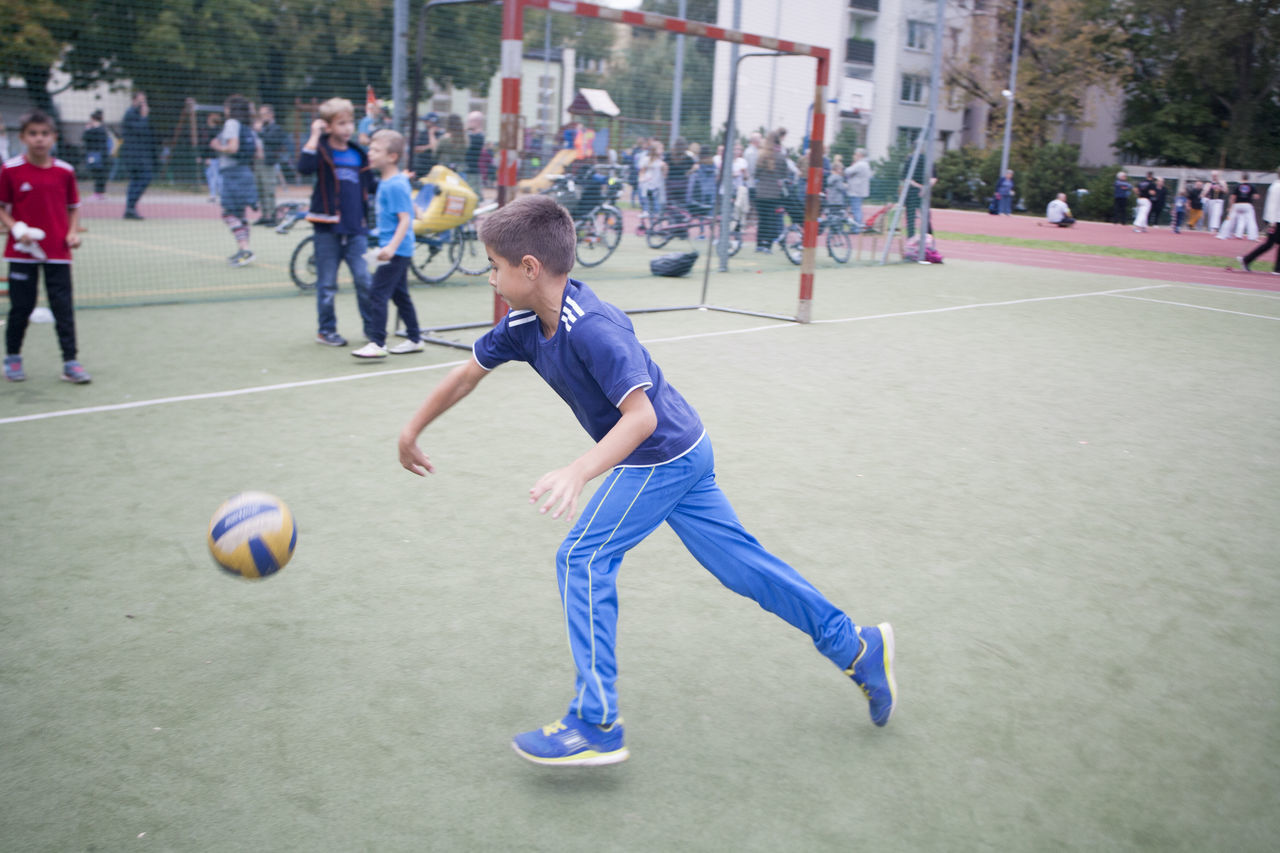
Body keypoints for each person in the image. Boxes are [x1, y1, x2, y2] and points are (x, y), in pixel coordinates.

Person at [396, 194, 897, 766]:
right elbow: (466, 375)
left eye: (494, 266)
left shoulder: (594, 330)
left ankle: (597, 721)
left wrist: (579, 471)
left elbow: (642, 418)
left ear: (529, 268)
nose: (490, 277)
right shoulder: (525, 325)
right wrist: (412, 429)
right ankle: (855, 646)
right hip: (686, 448)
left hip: (659, 454)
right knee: (745, 569)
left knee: (581, 558)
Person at [1, 111, 90, 384]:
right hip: (22, 253)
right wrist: (17, 229)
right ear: (23, 137)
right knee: (21, 307)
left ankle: (70, 362)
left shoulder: (65, 171)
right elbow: (2, 208)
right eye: (33, 134)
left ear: (54, 137)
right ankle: (13, 357)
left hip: (58, 253)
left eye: (44, 134)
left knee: (63, 307)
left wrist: (72, 233)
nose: (39, 139)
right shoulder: (10, 170)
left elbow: (73, 209)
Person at [297, 96, 375, 347]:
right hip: (327, 229)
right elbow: (304, 167)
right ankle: (326, 330)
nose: (347, 128)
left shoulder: (357, 154)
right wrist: (314, 135)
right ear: (328, 126)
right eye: (341, 123)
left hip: (356, 229)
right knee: (327, 283)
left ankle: (372, 329)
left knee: (364, 279)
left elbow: (371, 185)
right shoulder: (320, 151)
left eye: (350, 122)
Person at [351, 129, 425, 358]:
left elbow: (405, 219)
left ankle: (378, 343)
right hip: (393, 248)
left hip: (396, 250)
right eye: (370, 148)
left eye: (376, 150)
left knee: (377, 293)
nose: (370, 153)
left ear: (392, 156)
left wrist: (391, 248)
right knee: (399, 294)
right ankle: (414, 338)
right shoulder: (392, 181)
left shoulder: (394, 184)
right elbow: (409, 209)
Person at [209, 95, 260, 267]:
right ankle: (243, 250)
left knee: (228, 213)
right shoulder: (248, 127)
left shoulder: (232, 124)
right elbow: (259, 152)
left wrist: (217, 146)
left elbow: (232, 147)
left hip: (233, 173)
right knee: (240, 214)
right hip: (246, 172)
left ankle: (245, 249)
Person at [1237, 166, 1280, 274]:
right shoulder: (1276, 187)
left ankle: (1277, 268)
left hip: (1277, 219)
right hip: (1275, 220)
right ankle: (1246, 259)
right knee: (1269, 244)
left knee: (1270, 244)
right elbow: (1272, 205)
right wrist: (1272, 222)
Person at [121, 91, 156, 219]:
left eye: (144, 102)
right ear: (134, 101)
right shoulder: (131, 114)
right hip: (134, 156)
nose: (144, 105)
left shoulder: (135, 114)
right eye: (141, 101)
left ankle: (130, 208)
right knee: (144, 178)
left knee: (137, 180)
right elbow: (140, 129)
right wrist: (144, 116)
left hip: (140, 154)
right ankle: (130, 207)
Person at [253, 104, 288, 226]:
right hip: (257, 162)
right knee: (260, 189)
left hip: (268, 163)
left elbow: (273, 141)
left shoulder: (276, 128)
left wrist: (260, 132)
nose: (261, 117)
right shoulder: (261, 128)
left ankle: (273, 216)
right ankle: (265, 215)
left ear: (271, 115)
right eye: (260, 115)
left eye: (264, 114)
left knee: (269, 190)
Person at [753, 133, 788, 252]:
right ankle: (768, 245)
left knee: (762, 220)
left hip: (760, 193)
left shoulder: (761, 156)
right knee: (771, 220)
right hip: (773, 194)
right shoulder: (781, 157)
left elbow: (756, 174)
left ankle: (759, 244)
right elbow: (785, 175)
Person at [1218, 174, 1259, 241]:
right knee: (1251, 221)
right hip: (1247, 205)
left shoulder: (1237, 185)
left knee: (1229, 219)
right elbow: (1256, 196)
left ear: (1241, 178)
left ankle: (1223, 235)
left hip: (1237, 204)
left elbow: (1232, 197)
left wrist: (1230, 207)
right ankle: (1253, 237)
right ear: (1248, 178)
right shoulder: (1252, 186)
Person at [82, 110, 111, 199]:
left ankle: (98, 193)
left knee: (98, 173)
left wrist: (87, 129)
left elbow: (84, 138)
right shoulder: (103, 129)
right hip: (102, 154)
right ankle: (100, 192)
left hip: (96, 155)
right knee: (100, 174)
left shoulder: (94, 130)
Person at [844, 147, 872, 231]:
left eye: (855, 154)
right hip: (859, 190)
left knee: (856, 209)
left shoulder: (860, 164)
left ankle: (856, 228)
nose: (854, 156)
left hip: (855, 190)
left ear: (860, 155)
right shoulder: (865, 164)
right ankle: (856, 226)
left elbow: (847, 171)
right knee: (856, 208)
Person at [201, 112, 224, 202]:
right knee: (215, 175)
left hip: (214, 157)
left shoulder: (213, 131)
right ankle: (218, 194)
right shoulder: (219, 130)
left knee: (214, 176)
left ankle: (214, 195)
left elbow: (210, 145)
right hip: (217, 157)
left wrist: (207, 157)